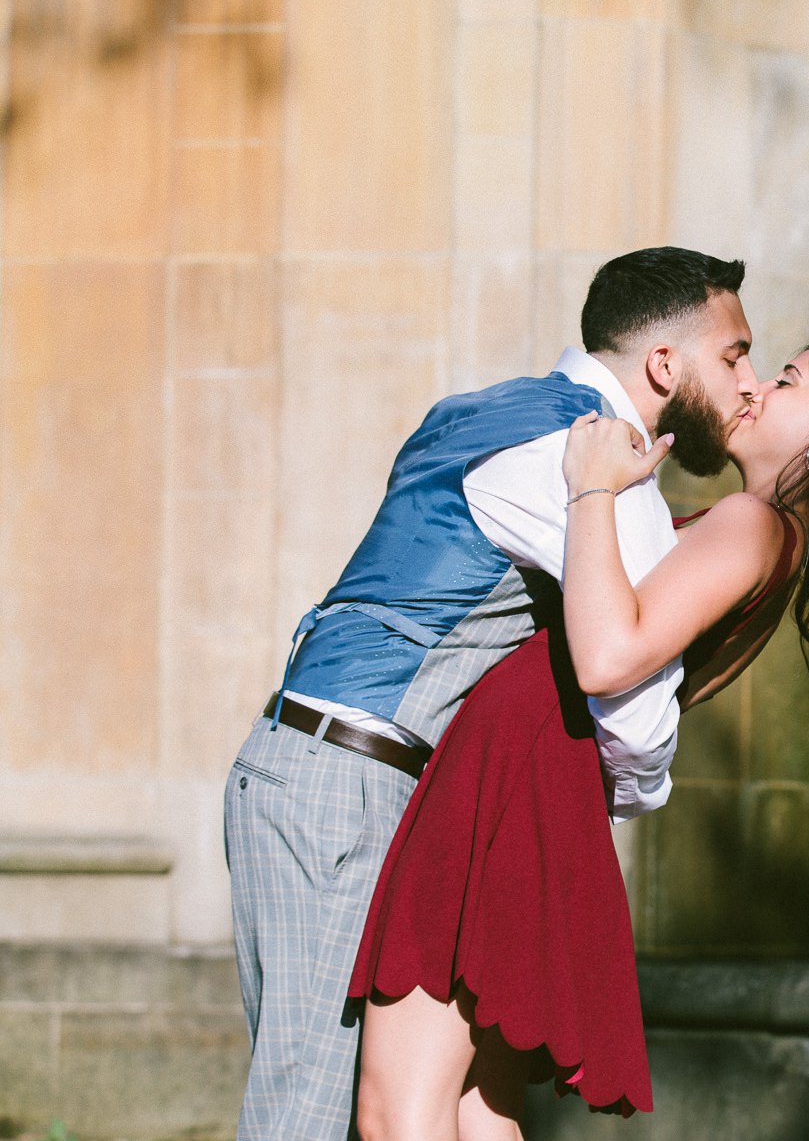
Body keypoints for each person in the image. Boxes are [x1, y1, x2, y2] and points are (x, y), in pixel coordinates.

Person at [349, 341, 809, 1139]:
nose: (755, 386)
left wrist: (592, 489)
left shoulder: (754, 525)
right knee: (478, 1110)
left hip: (515, 766)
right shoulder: (773, 549)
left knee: (400, 1111)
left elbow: (605, 657)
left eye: (786, 380)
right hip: (542, 777)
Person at [223, 248, 759, 1141]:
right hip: (347, 790)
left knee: (322, 1108)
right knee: (302, 1121)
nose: (745, 377)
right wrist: (619, 795)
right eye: (734, 353)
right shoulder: (601, 464)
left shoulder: (478, 408)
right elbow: (631, 712)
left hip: (298, 769)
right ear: (665, 364)